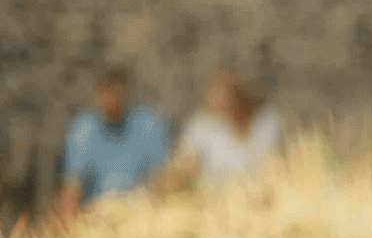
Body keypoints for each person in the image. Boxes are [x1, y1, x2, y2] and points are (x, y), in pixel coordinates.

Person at [58, 67, 171, 215]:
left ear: (127, 92)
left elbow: (162, 176)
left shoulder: (149, 123)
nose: (112, 99)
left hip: (142, 209)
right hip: (97, 212)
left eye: (117, 92)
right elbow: (72, 186)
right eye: (107, 93)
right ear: (97, 94)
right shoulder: (84, 128)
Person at [177, 69, 282, 185]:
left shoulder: (269, 122)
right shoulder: (200, 127)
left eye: (229, 93)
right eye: (216, 94)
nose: (221, 100)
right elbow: (183, 170)